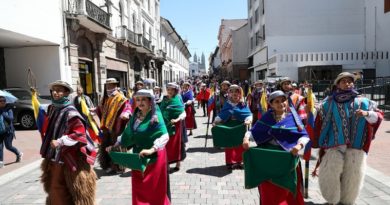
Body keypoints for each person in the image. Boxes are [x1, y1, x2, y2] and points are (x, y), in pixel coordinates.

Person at [312, 72, 383, 205]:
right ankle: (332, 199)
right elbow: (319, 119)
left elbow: (378, 117)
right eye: (343, 81)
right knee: (331, 174)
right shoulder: (328, 103)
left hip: (355, 145)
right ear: (337, 84)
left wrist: (367, 113)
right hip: (334, 144)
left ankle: (347, 201)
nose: (347, 83)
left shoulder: (363, 102)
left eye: (349, 81)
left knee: (352, 176)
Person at [106, 89, 171, 205]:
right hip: (138, 158)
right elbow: (127, 133)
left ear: (150, 101)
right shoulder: (135, 115)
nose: (140, 103)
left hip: (154, 158)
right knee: (139, 189)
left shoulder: (155, 116)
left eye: (143, 100)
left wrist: (152, 149)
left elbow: (165, 136)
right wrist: (115, 146)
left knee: (154, 191)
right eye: (138, 100)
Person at [39, 80, 97, 205]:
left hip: (68, 158)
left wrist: (60, 141)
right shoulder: (53, 108)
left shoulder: (71, 112)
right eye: (54, 90)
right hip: (54, 157)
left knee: (64, 190)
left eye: (59, 90)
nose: (55, 93)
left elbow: (79, 134)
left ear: (66, 93)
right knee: (56, 189)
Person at [213, 84, 252, 169]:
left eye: (236, 92)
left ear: (240, 94)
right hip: (228, 126)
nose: (234, 94)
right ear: (229, 94)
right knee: (229, 145)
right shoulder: (227, 104)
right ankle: (229, 162)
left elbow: (248, 114)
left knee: (239, 145)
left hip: (240, 127)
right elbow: (222, 114)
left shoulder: (243, 104)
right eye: (232, 92)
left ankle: (239, 161)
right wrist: (216, 120)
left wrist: (248, 120)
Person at [97, 78, 131, 174]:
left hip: (116, 126)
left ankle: (119, 166)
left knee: (116, 145)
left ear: (116, 86)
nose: (109, 87)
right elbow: (100, 109)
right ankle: (107, 164)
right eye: (108, 86)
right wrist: (95, 111)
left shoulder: (121, 97)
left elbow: (128, 107)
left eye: (111, 85)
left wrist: (126, 113)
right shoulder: (105, 98)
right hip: (106, 127)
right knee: (105, 145)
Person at [160, 83, 186, 172]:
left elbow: (183, 112)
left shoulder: (177, 99)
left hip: (176, 126)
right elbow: (160, 110)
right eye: (168, 89)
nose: (169, 91)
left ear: (175, 91)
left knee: (176, 145)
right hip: (165, 125)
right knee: (165, 144)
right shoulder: (164, 99)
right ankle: (167, 163)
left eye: (171, 90)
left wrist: (177, 119)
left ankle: (178, 162)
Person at [0, 95, 23, 168]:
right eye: (1, 101)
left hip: (8, 131)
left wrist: (3, 113)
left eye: (4, 100)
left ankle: (18, 153)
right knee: (0, 147)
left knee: (8, 146)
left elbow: (11, 118)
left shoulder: (8, 109)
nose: (3, 102)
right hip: (0, 131)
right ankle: (1, 162)